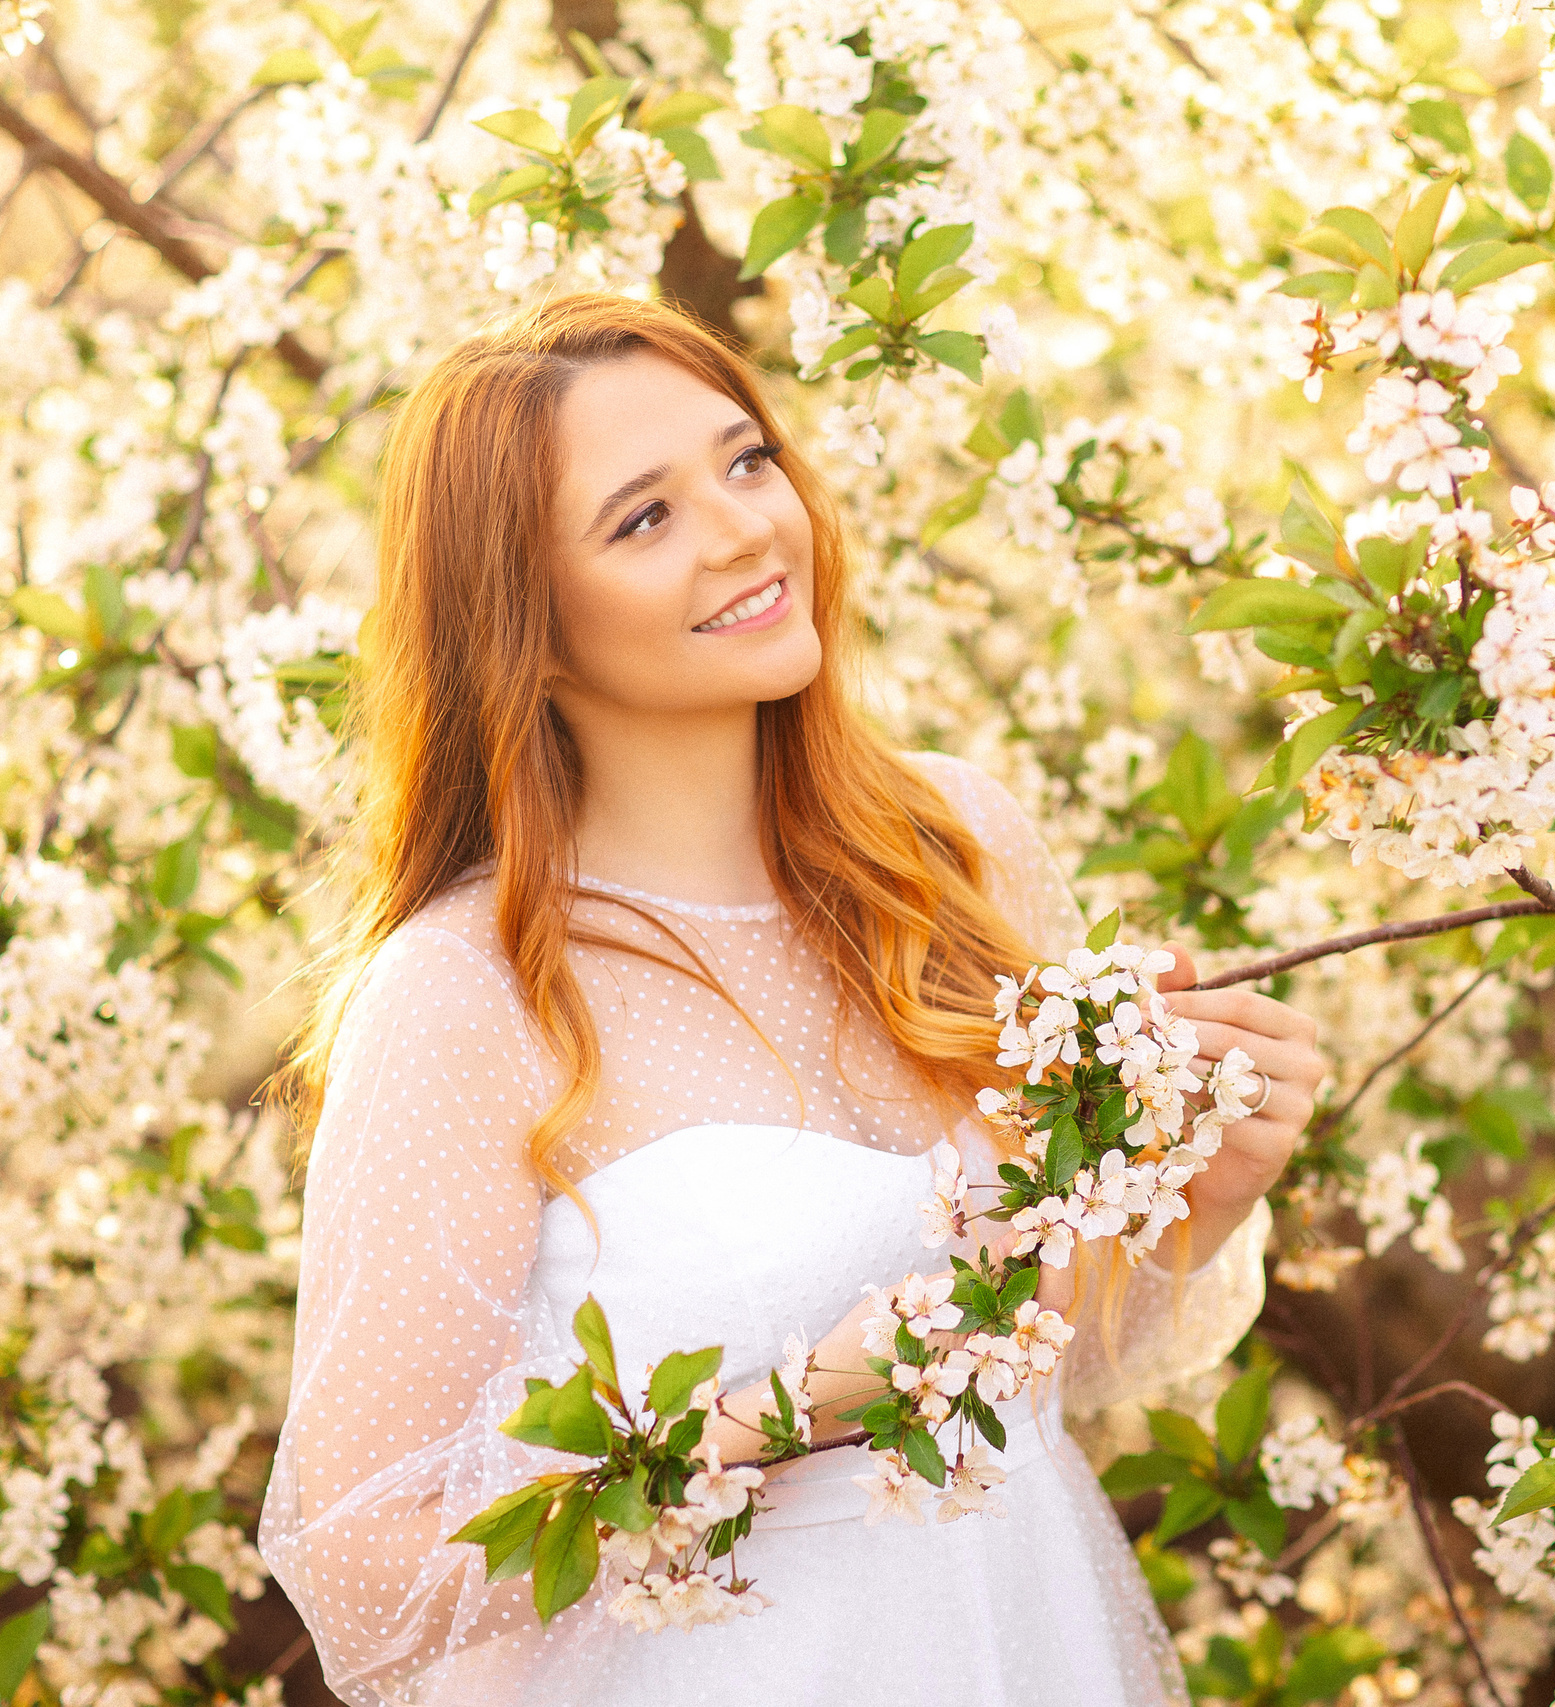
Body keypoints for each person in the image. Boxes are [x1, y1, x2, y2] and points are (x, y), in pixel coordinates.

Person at [256, 292, 1327, 1707]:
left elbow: (1041, 1358)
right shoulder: (465, 996)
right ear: (530, 620)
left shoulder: (955, 846)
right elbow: (364, 1571)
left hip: (1019, 1640)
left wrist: (1201, 1197)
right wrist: (776, 1416)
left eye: (746, 461)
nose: (746, 528)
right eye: (644, 518)